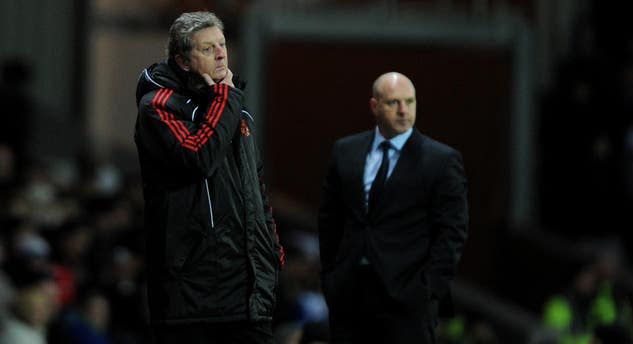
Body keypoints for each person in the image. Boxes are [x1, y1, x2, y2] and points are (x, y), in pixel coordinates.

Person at [134, 11, 284, 344]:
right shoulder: (157, 107)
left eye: (222, 44)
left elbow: (256, 186)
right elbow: (197, 156)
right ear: (183, 61)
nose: (220, 54)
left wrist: (271, 250)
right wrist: (226, 98)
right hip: (192, 296)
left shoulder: (235, 108)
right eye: (207, 48)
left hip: (247, 291)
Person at [318, 72, 469, 343]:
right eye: (393, 103)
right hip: (350, 293)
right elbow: (330, 220)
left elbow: (452, 230)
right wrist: (331, 276)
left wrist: (429, 289)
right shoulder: (346, 151)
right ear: (374, 106)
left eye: (409, 102)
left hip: (408, 298)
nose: (403, 111)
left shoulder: (440, 160)